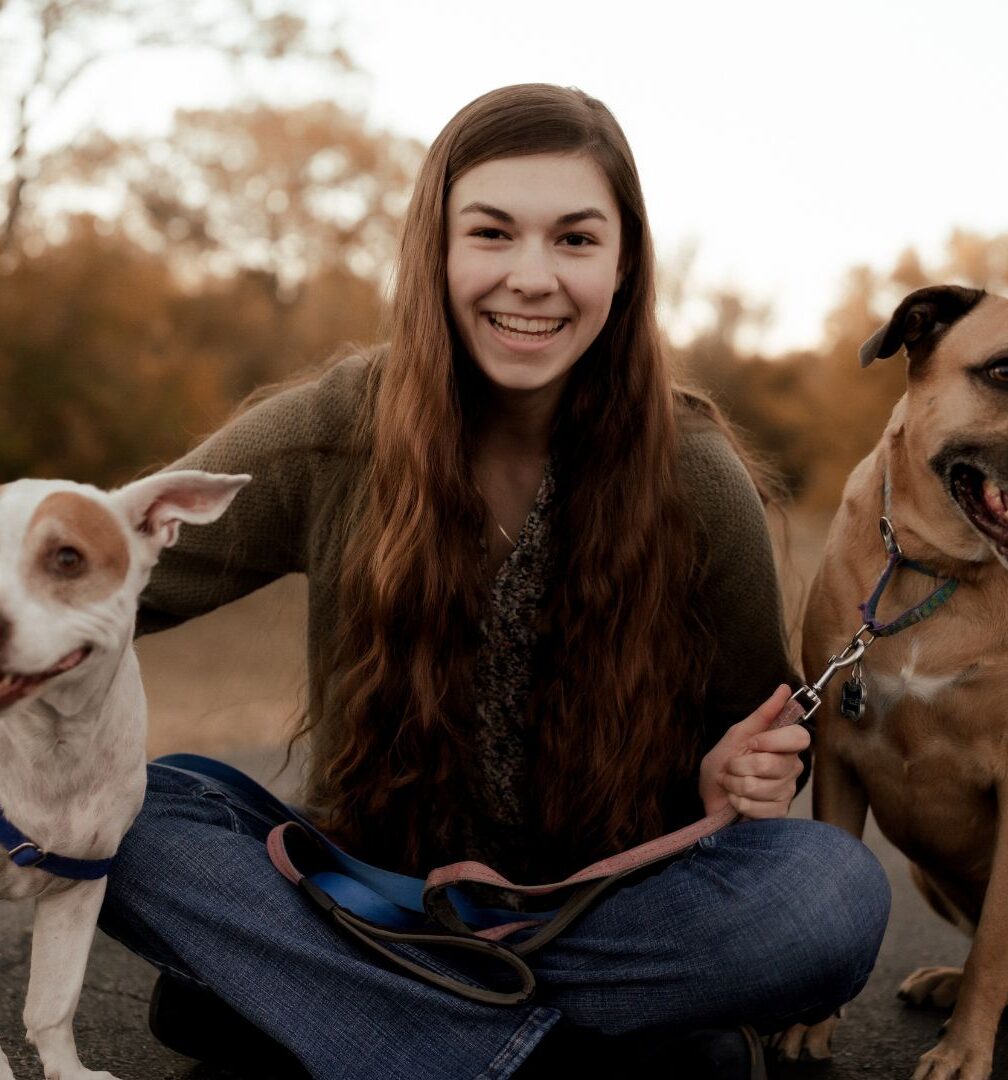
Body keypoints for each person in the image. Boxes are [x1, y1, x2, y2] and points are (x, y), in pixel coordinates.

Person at [99, 84, 889, 1079]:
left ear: (624, 263)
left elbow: (756, 731)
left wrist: (734, 768)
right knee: (134, 815)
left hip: (604, 912)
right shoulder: (336, 428)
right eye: (492, 233)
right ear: (436, 249)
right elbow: (103, 568)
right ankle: (547, 1057)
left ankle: (324, 1011)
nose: (531, 277)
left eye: (573, 239)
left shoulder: (692, 471)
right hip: (371, 894)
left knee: (830, 895)